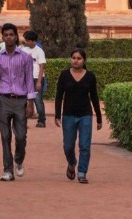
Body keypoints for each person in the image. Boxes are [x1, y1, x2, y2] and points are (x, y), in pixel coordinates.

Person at [0, 22, 37, 181]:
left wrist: (30, 102)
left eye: (11, 35)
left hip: (20, 100)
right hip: (4, 100)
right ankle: (7, 170)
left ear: (16, 37)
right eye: (6, 35)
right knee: (5, 136)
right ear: (2, 37)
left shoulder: (25, 58)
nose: (9, 37)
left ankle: (19, 160)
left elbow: (29, 80)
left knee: (21, 136)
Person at [54, 49, 103, 184]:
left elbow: (94, 97)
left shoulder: (90, 77)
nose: (76, 61)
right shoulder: (64, 75)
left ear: (84, 61)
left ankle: (82, 172)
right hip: (68, 115)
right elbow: (59, 96)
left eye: (79, 58)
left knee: (85, 145)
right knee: (68, 146)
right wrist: (57, 114)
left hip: (85, 115)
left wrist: (98, 117)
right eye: (74, 58)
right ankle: (72, 163)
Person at [22, 30, 48, 127]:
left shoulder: (39, 51)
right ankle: (23, 120)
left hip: (37, 78)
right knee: (24, 100)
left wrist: (39, 82)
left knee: (38, 101)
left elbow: (42, 67)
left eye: (28, 41)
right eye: (25, 40)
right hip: (26, 79)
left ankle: (41, 120)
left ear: (34, 41)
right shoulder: (24, 50)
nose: (26, 42)